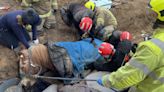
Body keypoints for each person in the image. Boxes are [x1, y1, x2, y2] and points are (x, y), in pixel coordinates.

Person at [97, 0, 164, 91]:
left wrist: (107, 81)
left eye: (153, 13)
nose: (149, 17)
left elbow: (131, 75)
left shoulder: (152, 48)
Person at [19, 38, 104, 82]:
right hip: (91, 43)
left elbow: (70, 77)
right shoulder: (53, 47)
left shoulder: (63, 64)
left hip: (96, 54)